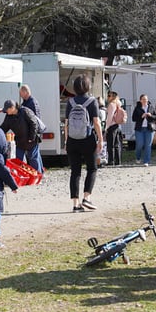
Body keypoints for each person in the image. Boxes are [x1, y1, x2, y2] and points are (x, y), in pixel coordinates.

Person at [64, 74, 102, 212]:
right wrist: (100, 139)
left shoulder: (70, 102)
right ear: (88, 86)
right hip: (88, 139)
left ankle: (76, 204)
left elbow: (66, 123)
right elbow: (96, 122)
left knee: (75, 172)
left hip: (72, 140)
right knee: (92, 168)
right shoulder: (92, 101)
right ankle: (87, 197)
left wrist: (66, 141)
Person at [0, 99, 41, 173]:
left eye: (7, 110)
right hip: (20, 141)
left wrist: (32, 138)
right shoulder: (8, 116)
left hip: (31, 140)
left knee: (33, 159)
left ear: (12, 108)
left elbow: (34, 124)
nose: (6, 111)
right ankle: (22, 175)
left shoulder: (25, 111)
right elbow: (4, 127)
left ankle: (37, 175)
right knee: (18, 161)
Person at [19, 84, 44, 173]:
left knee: (33, 155)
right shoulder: (26, 102)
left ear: (25, 92)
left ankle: (37, 174)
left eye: (21, 93)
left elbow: (35, 120)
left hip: (34, 133)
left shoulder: (32, 103)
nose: (20, 95)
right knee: (36, 154)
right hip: (32, 132)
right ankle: (40, 172)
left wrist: (32, 135)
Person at [132, 94, 156, 166]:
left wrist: (151, 115)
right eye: (143, 99)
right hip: (139, 129)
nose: (145, 101)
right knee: (139, 144)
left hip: (149, 129)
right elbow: (133, 118)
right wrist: (141, 116)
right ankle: (138, 157)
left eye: (146, 99)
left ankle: (146, 161)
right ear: (140, 100)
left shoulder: (151, 107)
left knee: (148, 145)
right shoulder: (137, 108)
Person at [104, 91, 126, 166]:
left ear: (113, 97)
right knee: (116, 144)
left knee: (110, 145)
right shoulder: (118, 104)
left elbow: (109, 117)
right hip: (117, 125)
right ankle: (118, 161)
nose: (107, 97)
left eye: (109, 96)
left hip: (112, 126)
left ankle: (111, 161)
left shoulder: (111, 105)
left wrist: (106, 127)